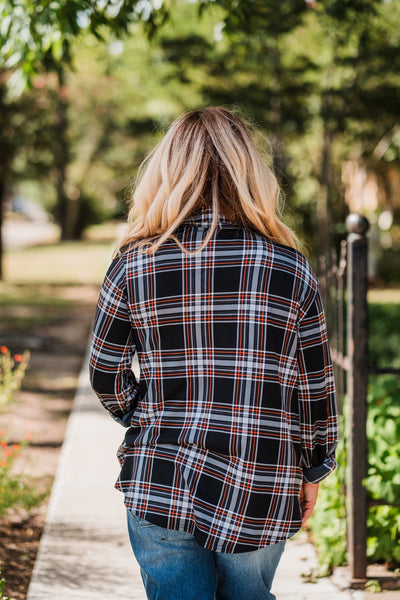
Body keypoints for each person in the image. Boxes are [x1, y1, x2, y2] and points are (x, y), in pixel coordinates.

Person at [89, 107, 338, 600]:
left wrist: (150, 417)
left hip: (162, 475)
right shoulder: (288, 267)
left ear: (166, 171)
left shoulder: (134, 263)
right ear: (250, 173)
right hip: (262, 480)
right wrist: (315, 467)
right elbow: (315, 388)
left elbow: (105, 373)